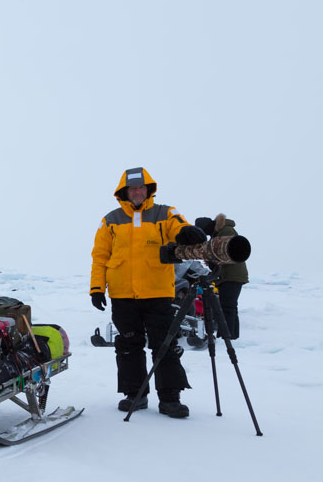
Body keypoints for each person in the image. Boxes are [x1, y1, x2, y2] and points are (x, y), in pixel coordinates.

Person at [89, 167, 207, 418]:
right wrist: (97, 288)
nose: (138, 192)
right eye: (133, 188)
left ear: (149, 189)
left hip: (158, 293)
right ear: (124, 191)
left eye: (142, 187)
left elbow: (178, 225)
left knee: (164, 345)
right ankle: (135, 395)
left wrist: (186, 232)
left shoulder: (164, 213)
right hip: (122, 295)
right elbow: (100, 257)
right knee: (128, 346)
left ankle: (170, 399)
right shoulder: (110, 220)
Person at [195, 214, 248, 340]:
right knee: (230, 306)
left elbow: (226, 253)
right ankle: (232, 336)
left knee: (227, 307)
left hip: (232, 275)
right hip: (230, 275)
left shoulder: (225, 231)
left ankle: (226, 337)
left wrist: (212, 260)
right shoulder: (219, 232)